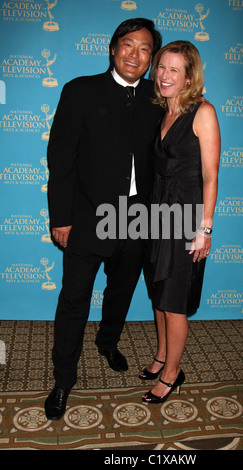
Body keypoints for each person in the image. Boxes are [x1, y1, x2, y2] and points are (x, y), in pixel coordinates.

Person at [44, 18, 163, 421]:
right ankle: (63, 380)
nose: (135, 54)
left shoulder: (158, 97)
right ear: (113, 49)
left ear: (152, 58)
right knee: (74, 300)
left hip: (137, 219)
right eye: (128, 45)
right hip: (86, 215)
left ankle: (108, 342)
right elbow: (61, 161)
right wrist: (61, 217)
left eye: (145, 48)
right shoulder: (80, 91)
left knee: (121, 292)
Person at [139, 41, 221, 404]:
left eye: (174, 69)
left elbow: (211, 175)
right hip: (157, 216)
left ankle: (173, 374)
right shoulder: (163, 113)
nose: (164, 76)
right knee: (158, 294)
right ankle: (161, 356)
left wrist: (204, 229)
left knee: (174, 301)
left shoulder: (203, 112)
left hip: (186, 220)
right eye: (161, 67)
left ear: (190, 78)